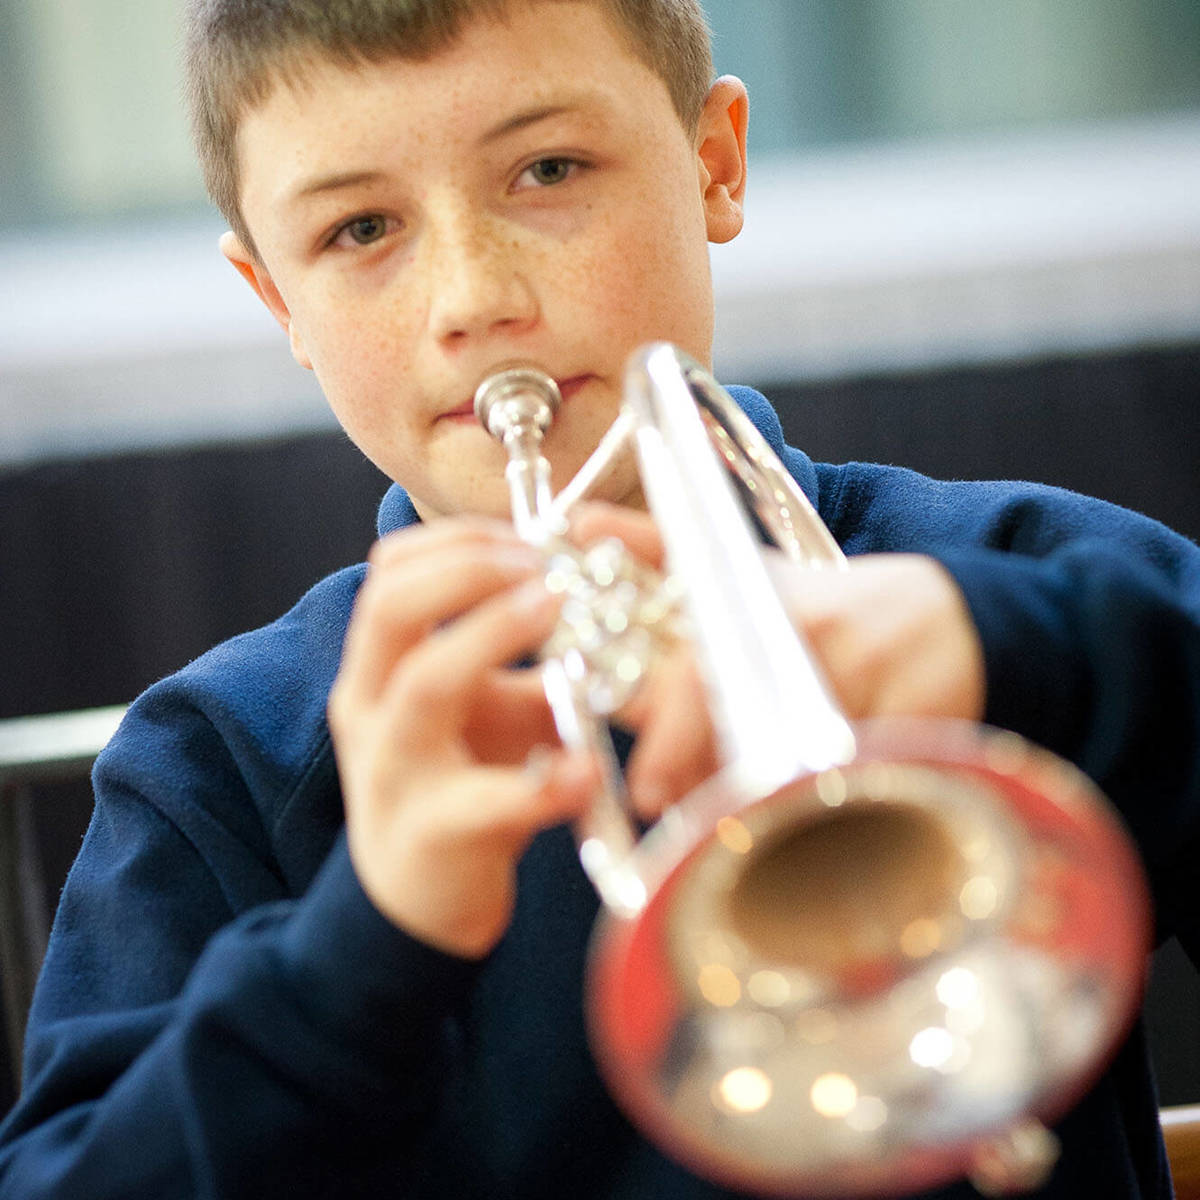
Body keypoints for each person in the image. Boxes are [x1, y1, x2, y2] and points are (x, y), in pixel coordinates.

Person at [0, 1, 1197, 1196]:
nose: (474, 298)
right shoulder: (220, 762)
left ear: (714, 166)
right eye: (361, 227)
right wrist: (357, 949)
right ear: (279, 304)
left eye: (549, 169)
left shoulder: (1016, 576)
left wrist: (1030, 651)